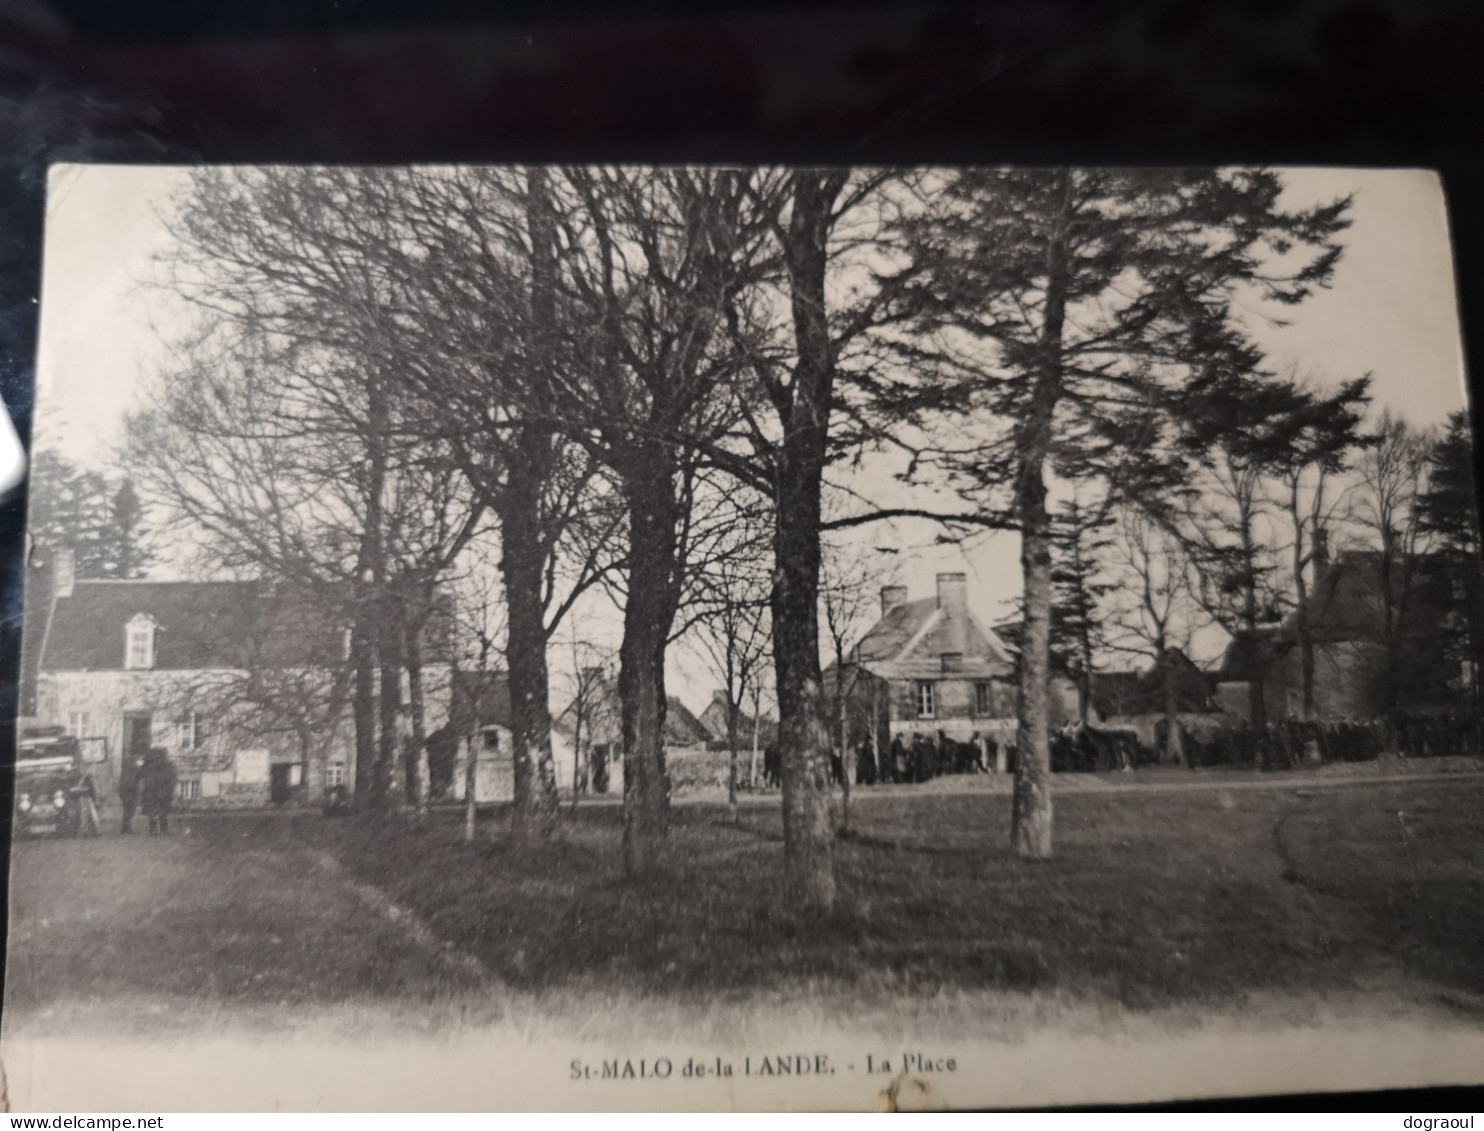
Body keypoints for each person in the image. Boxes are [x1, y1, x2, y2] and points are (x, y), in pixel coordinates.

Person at [139, 746, 178, 836]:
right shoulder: (168, 765)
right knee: (162, 811)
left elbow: (142, 778)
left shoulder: (147, 766)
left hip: (152, 792)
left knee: (153, 812)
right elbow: (172, 778)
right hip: (162, 792)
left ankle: (154, 830)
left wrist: (143, 791)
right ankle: (163, 830)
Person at [117, 749, 145, 834]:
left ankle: (125, 829)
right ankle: (127, 829)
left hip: (123, 789)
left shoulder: (126, 762)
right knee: (130, 810)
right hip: (131, 790)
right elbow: (139, 774)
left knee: (126, 810)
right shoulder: (137, 762)